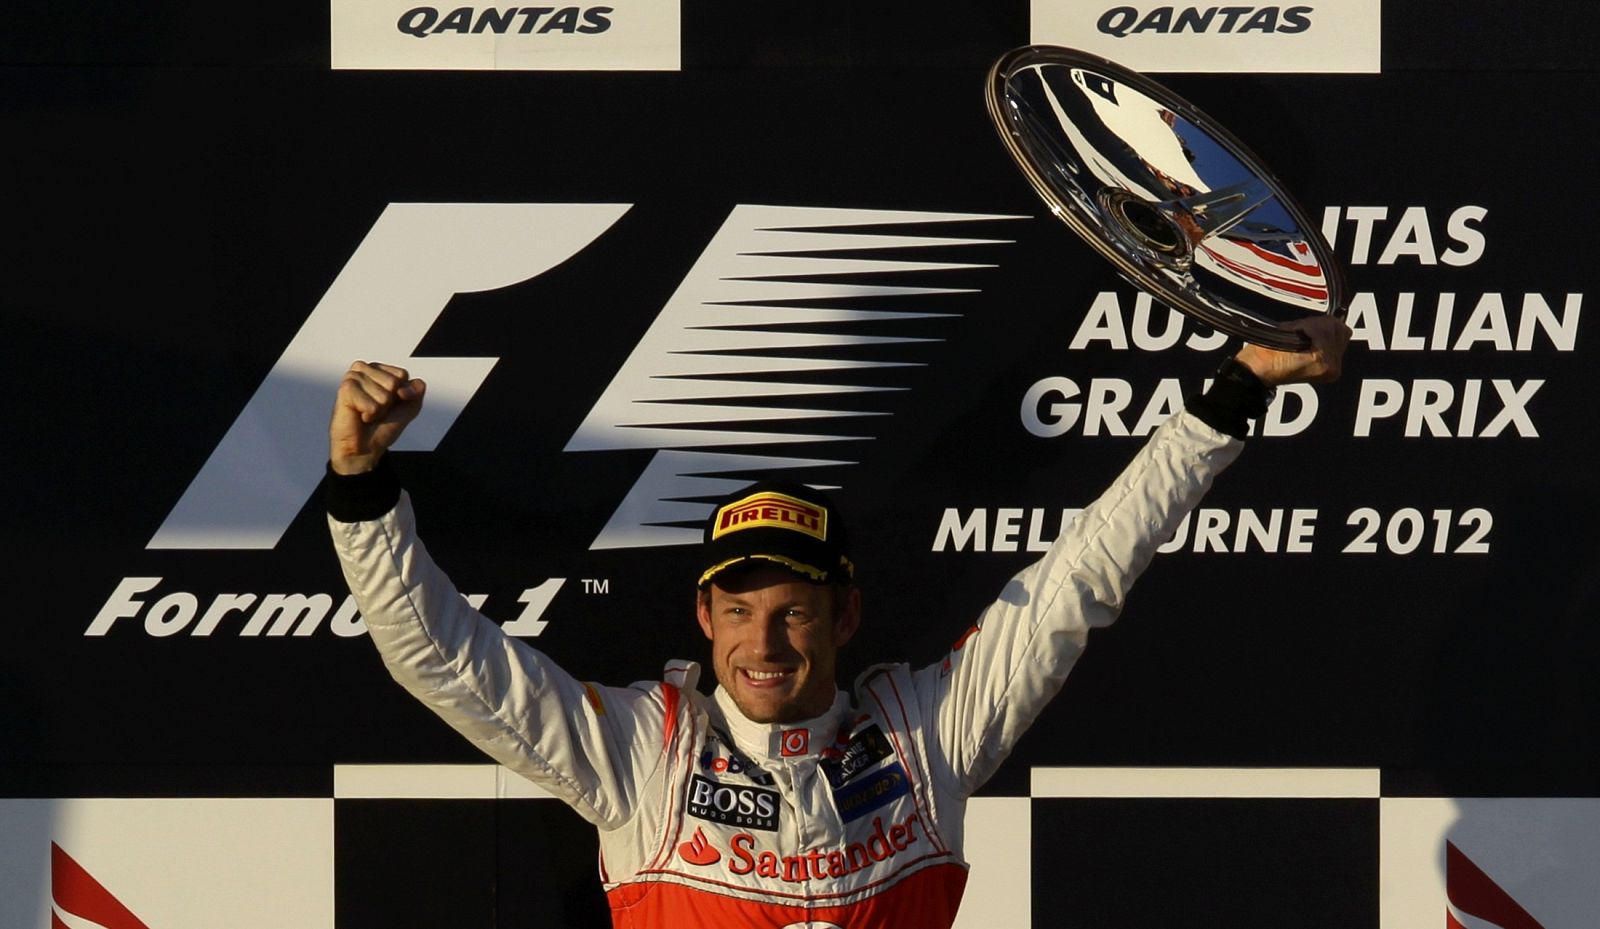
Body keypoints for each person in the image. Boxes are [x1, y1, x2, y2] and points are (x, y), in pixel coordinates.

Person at [325, 317, 1349, 928]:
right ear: (702, 613)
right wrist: (362, 487)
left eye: (795, 611)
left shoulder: (924, 733)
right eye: (738, 608)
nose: (763, 643)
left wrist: (1229, 396)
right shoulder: (640, 750)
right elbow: (442, 658)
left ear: (845, 612)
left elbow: (1083, 574)